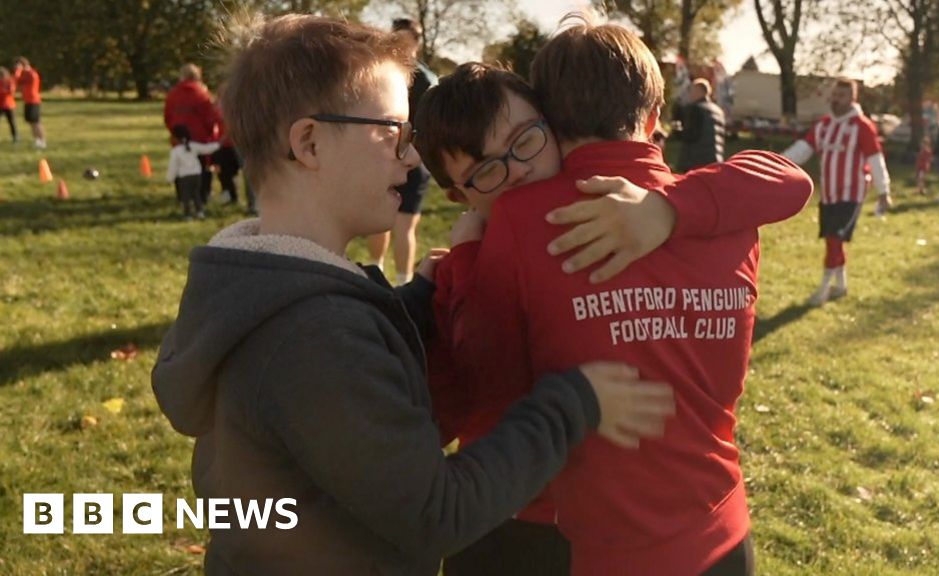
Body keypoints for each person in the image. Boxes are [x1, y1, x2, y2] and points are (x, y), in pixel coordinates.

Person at [150, 14, 674, 575]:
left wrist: (416, 301)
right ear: (309, 143)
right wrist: (576, 401)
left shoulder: (265, 290)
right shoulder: (315, 336)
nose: (411, 158)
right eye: (394, 133)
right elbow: (438, 514)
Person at [415, 18, 812, 575]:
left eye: (527, 141)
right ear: (654, 118)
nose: (517, 173)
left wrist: (460, 270)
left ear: (552, 122)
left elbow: (480, 383)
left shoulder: (520, 221)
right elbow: (791, 180)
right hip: (721, 528)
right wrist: (671, 206)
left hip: (583, 537)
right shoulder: (730, 213)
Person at [783, 78, 892, 306]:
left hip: (851, 195)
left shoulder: (861, 127)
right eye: (834, 95)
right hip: (829, 194)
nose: (836, 99)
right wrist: (777, 164)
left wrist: (884, 191)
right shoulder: (824, 125)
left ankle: (823, 289)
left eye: (841, 96)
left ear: (852, 99)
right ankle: (841, 285)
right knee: (832, 240)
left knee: (834, 239)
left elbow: (875, 159)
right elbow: (803, 149)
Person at [366, 18, 438, 284]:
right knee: (378, 219)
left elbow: (432, 128)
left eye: (408, 44)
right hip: (382, 158)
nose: (403, 49)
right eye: (398, 42)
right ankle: (375, 273)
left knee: (406, 225)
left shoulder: (427, 82)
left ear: (417, 45)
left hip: (414, 161)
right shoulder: (378, 76)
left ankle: (405, 283)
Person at [164, 63, 220, 205]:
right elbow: (210, 116)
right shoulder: (202, 93)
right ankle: (202, 196)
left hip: (179, 137)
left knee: (180, 166)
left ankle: (182, 197)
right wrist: (211, 133)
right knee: (201, 167)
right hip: (199, 137)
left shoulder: (173, 94)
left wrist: (174, 132)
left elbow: (168, 116)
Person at [167, 124, 220, 219]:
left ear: (176, 138)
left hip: (184, 177)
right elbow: (207, 149)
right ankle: (200, 212)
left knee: (185, 197)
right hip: (196, 175)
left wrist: (169, 179)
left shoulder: (175, 152)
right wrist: (218, 144)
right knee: (196, 194)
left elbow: (173, 167)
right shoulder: (193, 146)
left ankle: (188, 214)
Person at [676, 78, 726, 172]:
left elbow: (691, 135)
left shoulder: (695, 109)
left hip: (695, 162)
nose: (690, 94)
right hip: (715, 161)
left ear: (699, 91)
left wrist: (677, 132)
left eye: (691, 90)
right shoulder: (719, 111)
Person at [12, 57, 44, 148]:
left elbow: (21, 79)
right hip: (27, 100)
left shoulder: (31, 73)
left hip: (34, 100)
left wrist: (19, 70)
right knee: (31, 122)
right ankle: (37, 140)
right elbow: (16, 81)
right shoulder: (24, 74)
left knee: (36, 121)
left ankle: (42, 140)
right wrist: (18, 72)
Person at [0, 67, 16, 142]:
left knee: (11, 122)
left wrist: (3, 91)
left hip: (9, 105)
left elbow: (11, 92)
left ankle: (15, 137)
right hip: (1, 104)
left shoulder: (10, 81)